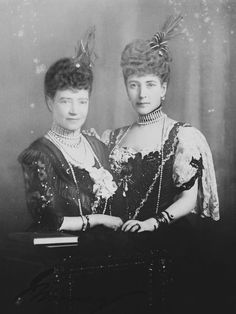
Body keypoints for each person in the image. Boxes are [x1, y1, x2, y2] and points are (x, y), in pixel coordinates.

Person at [102, 15, 220, 235]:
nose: (142, 94)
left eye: (150, 84)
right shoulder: (112, 137)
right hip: (117, 238)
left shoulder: (181, 136)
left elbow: (188, 199)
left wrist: (152, 223)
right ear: (127, 89)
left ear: (163, 89)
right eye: (134, 85)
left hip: (160, 236)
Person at [18, 28, 123, 233]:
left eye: (82, 102)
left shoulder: (98, 148)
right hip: (60, 250)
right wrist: (97, 219)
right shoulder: (38, 154)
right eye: (65, 101)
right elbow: (48, 220)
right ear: (50, 102)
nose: (75, 111)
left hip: (103, 248)